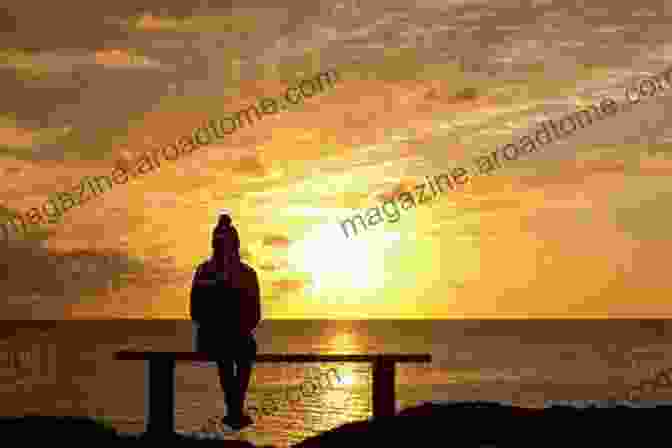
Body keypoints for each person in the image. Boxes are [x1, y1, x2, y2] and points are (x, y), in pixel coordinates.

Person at [190, 213, 261, 430]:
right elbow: (195, 311)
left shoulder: (246, 274)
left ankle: (234, 409)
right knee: (230, 350)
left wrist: (235, 326)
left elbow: (254, 314)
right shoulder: (206, 271)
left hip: (234, 338)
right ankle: (235, 409)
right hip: (215, 338)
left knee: (239, 349)